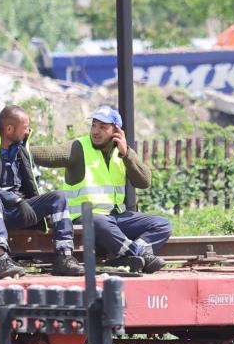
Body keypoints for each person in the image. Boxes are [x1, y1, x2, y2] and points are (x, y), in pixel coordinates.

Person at [32, 106, 172, 272]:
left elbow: (144, 181)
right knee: (98, 220)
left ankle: (127, 255)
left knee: (163, 225)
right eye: (94, 125)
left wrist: (127, 154)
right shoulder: (79, 147)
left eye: (103, 127)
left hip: (115, 218)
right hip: (84, 217)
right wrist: (22, 149)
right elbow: (50, 154)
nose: (96, 131)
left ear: (116, 131)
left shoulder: (123, 152)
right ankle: (137, 254)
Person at [0, 105, 74, 279]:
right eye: (25, 127)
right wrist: (17, 201)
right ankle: (2, 260)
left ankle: (64, 257)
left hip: (19, 210)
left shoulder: (21, 149)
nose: (28, 132)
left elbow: (34, 183)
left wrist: (39, 209)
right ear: (9, 129)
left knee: (59, 198)